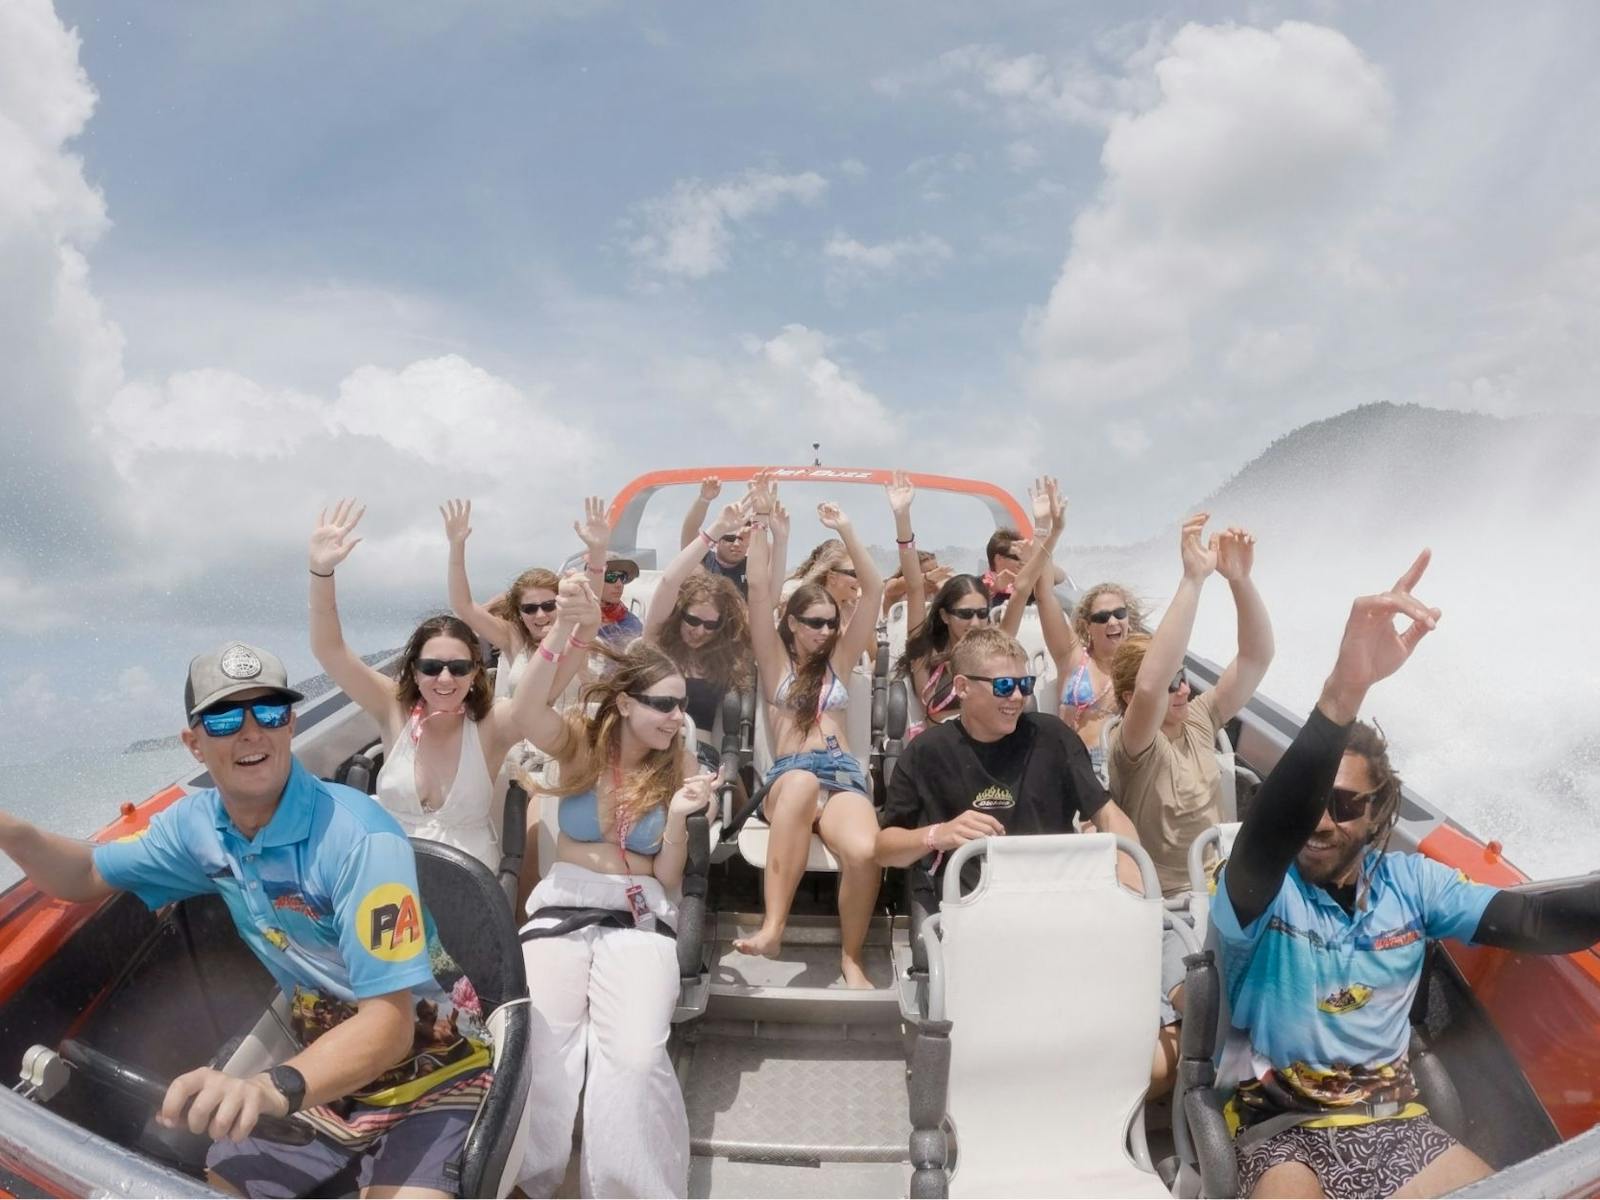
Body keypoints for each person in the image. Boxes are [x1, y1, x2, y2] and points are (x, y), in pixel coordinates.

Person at [0, 641, 489, 1198]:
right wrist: (11, 832)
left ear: (290, 726)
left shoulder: (360, 838)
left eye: (270, 713)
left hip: (433, 1068)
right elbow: (85, 872)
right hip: (324, 1072)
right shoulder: (197, 829)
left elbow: (391, 1023)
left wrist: (269, 1087)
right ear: (194, 744)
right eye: (226, 718)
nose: (251, 731)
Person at [1213, 549, 1600, 1198]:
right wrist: (1346, 688)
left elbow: (1532, 919)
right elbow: (1267, 833)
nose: (1322, 822)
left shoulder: (1410, 887)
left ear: (1376, 813)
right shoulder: (1261, 888)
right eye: (1313, 802)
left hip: (1396, 1127)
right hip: (1278, 1132)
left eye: (1346, 805)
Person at [875, 625, 1186, 1093]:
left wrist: (1129, 870)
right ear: (962, 688)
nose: (1017, 697)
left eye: (1023, 685)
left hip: (1062, 914)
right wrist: (938, 833)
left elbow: (1106, 812)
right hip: (981, 924)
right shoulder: (925, 754)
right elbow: (884, 847)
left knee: (1162, 1049)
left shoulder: (1053, 736)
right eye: (1003, 686)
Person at [510, 577, 718, 1199]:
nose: (676, 717)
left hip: (637, 917)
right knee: (542, 1050)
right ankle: (527, 1180)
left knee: (632, 1059)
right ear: (625, 703)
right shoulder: (579, 743)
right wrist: (559, 635)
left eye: (681, 705)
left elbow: (668, 879)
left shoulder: (680, 760)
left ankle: (631, 1190)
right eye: (662, 703)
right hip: (564, 907)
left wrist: (679, 818)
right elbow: (523, 713)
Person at [309, 499, 591, 871]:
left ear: (476, 671)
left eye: (458, 667)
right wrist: (320, 573)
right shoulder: (392, 707)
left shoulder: (494, 722)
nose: (445, 678)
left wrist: (574, 625)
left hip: (466, 890)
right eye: (431, 666)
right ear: (412, 669)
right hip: (388, 880)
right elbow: (330, 651)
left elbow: (541, 693)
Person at [735, 483, 885, 988]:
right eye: (815, 623)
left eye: (831, 622)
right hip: (791, 775)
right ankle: (773, 928)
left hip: (842, 775)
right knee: (799, 783)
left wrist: (844, 527)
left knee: (865, 851)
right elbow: (758, 590)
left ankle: (851, 956)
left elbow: (875, 588)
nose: (826, 631)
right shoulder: (774, 660)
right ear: (792, 623)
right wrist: (763, 526)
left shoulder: (841, 661)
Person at [1107, 513, 1274, 896]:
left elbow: (1255, 657)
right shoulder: (1134, 745)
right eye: (1172, 684)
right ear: (1129, 700)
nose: (1183, 690)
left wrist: (1240, 581)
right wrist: (1193, 579)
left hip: (1220, 886)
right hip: (1168, 902)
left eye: (1183, 678)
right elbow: (1151, 685)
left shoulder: (1198, 718)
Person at [646, 495, 757, 770]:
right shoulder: (657, 644)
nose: (699, 630)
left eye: (711, 625)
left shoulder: (723, 660)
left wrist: (770, 531)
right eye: (692, 620)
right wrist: (715, 529)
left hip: (699, 756)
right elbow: (669, 581)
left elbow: (766, 592)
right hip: (649, 751)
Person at [887, 469, 993, 733]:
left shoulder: (995, 652)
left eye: (982, 613)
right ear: (945, 615)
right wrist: (903, 517)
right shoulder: (926, 653)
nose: (975, 621)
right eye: (966, 614)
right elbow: (914, 587)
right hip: (939, 749)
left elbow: (1025, 588)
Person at [440, 497, 562, 703]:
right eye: (530, 608)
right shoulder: (514, 637)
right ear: (519, 613)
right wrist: (456, 546)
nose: (540, 615)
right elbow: (463, 606)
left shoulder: (578, 632)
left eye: (549, 605)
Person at [677, 475, 760, 596]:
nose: (736, 544)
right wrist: (704, 499)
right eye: (730, 538)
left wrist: (761, 516)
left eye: (742, 538)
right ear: (717, 540)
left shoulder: (753, 568)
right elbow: (690, 528)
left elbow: (772, 554)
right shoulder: (703, 560)